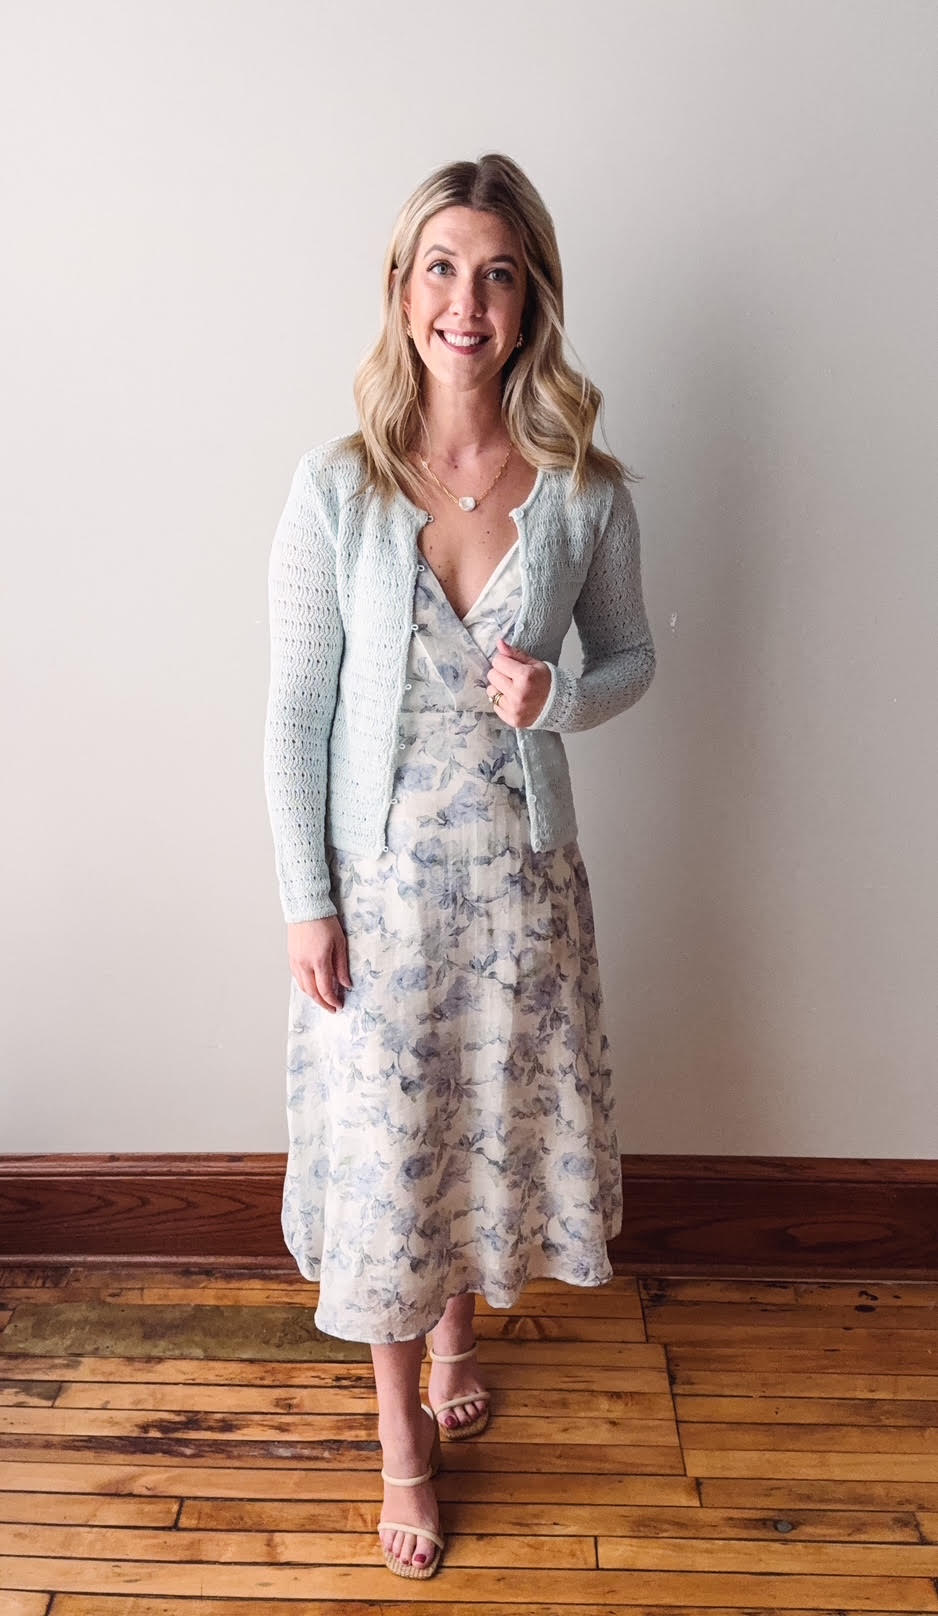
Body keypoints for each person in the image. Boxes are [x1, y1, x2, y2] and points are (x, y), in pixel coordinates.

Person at [263, 151, 656, 1580]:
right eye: (440, 267)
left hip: (518, 894)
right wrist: (305, 898)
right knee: (384, 1172)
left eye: (495, 271)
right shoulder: (338, 485)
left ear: (530, 296)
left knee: (475, 1137)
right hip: (376, 899)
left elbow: (630, 658)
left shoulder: (581, 488)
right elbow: (294, 710)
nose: (464, 299)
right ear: (400, 288)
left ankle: (454, 1345)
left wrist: (562, 699)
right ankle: (402, 1450)